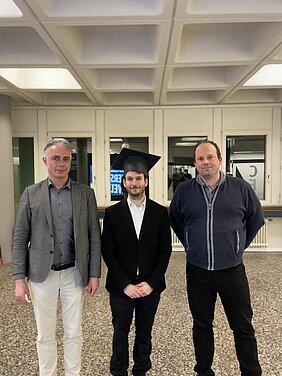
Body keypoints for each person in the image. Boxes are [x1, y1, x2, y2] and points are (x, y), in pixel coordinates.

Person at [170, 140, 264, 376]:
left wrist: (237, 246)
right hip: (198, 271)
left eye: (210, 157)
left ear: (220, 160)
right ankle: (204, 371)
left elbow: (255, 219)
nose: (205, 162)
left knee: (242, 326)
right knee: (202, 325)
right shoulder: (184, 191)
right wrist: (192, 245)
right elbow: (177, 222)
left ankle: (251, 371)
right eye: (200, 158)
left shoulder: (240, 188)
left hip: (232, 271)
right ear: (195, 163)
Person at [12, 138, 101, 376]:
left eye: (65, 158)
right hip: (42, 275)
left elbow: (94, 236)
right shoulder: (31, 193)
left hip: (74, 273)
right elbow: (20, 237)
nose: (60, 164)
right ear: (45, 161)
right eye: (55, 158)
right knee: (45, 334)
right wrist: (19, 279)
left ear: (70, 161)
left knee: (74, 332)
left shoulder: (85, 194)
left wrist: (94, 274)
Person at [101, 148, 172, 376]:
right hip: (122, 286)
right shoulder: (113, 213)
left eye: (138, 178)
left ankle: (141, 369)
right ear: (123, 182)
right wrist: (125, 284)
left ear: (146, 181)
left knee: (144, 332)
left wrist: (151, 282)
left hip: (150, 287)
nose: (134, 183)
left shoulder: (160, 213)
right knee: (120, 332)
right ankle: (119, 370)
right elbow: (108, 251)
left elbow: (165, 251)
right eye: (129, 179)